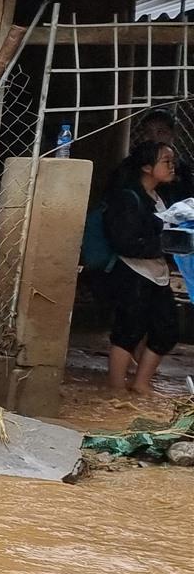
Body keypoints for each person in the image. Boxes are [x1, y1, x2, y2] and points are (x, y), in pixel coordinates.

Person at [101, 137, 182, 395]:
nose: (172, 167)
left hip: (156, 272)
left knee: (167, 329)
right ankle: (115, 388)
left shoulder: (159, 196)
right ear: (147, 167)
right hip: (132, 272)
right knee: (129, 329)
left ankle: (141, 383)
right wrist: (165, 245)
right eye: (166, 162)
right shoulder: (128, 197)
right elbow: (125, 243)